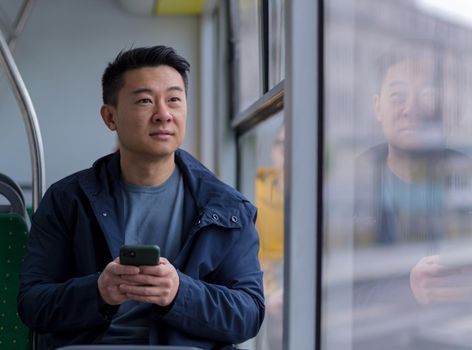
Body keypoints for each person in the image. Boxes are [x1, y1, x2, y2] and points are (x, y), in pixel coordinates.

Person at [17, 45, 265, 350]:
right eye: (145, 101)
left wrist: (178, 292)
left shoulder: (226, 208)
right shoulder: (67, 200)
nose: (163, 115)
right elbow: (32, 305)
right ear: (110, 117)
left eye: (174, 99)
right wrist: (98, 291)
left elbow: (249, 315)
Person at [353, 51, 472, 348]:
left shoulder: (467, 176)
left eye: (426, 96)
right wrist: (406, 290)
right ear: (377, 107)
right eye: (397, 96)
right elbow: (336, 289)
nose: (411, 108)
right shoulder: (354, 184)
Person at [255, 124, 284, 350]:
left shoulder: (320, 197)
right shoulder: (256, 191)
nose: (288, 155)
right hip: (265, 288)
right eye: (282, 146)